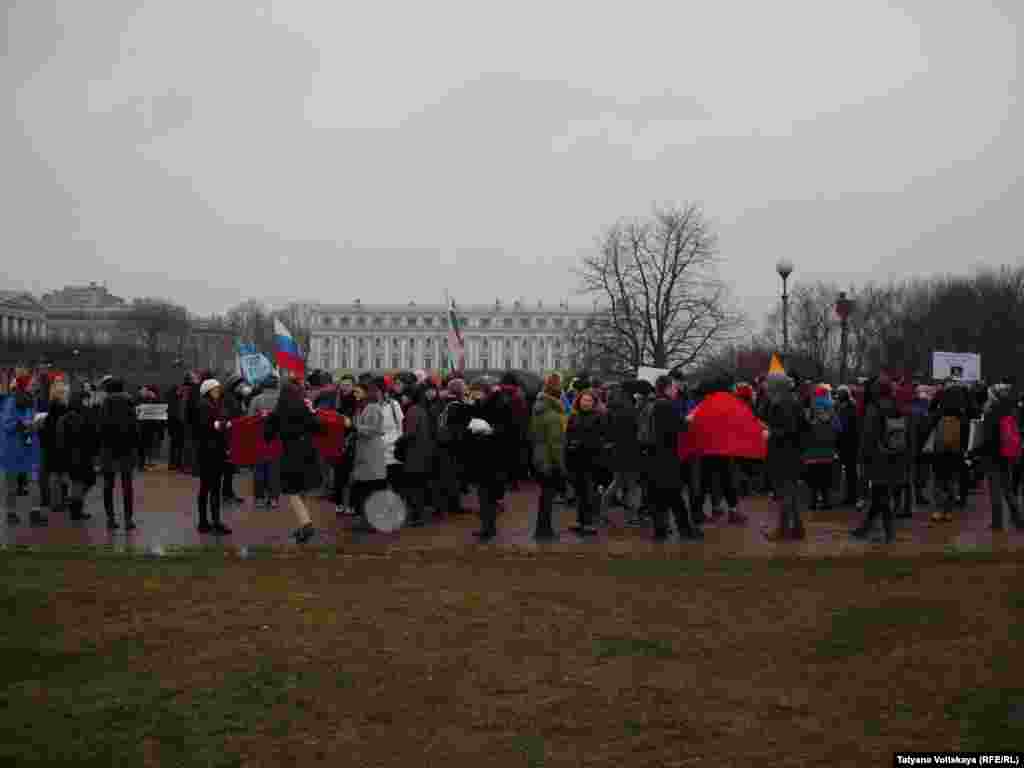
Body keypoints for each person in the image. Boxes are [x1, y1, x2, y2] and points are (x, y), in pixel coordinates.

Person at [263, 378, 326, 543]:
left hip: (291, 453)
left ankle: (306, 524)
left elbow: (267, 435)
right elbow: (318, 428)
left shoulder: (278, 411)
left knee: (292, 492)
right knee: (301, 489)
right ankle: (303, 524)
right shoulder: (303, 408)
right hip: (308, 452)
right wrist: (312, 413)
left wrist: (267, 419)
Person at [851, 379, 912, 543]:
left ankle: (889, 532)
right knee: (880, 493)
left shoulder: (874, 408)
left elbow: (868, 435)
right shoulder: (897, 406)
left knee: (881, 495)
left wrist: (862, 457)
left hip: (878, 457)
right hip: (896, 455)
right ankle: (865, 527)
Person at [647, 375, 700, 541]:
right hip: (667, 456)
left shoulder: (655, 403)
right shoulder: (666, 405)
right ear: (667, 388)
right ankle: (684, 529)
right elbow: (679, 427)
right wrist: (690, 418)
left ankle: (660, 530)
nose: (676, 390)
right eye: (674, 387)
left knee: (660, 496)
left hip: (656, 455)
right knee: (674, 495)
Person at [969, 381, 1022, 530]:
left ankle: (997, 523)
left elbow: (987, 438)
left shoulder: (991, 412)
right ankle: (1018, 519)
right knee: (1008, 489)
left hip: (993, 456)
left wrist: (975, 451)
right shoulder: (1011, 410)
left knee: (995, 491)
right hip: (1007, 454)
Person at [763, 371, 806, 540]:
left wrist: (770, 433)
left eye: (769, 385)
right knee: (790, 493)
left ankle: (783, 529)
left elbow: (789, 429)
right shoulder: (789, 400)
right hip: (791, 452)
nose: (766, 388)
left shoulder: (784, 403)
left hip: (785, 453)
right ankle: (797, 528)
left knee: (785, 493)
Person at [98, 377, 140, 531]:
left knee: (108, 485)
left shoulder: (105, 402)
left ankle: (110, 519)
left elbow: (101, 426)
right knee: (127, 485)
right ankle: (128, 520)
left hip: (108, 448)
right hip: (126, 448)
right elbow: (135, 426)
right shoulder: (129, 401)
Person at [1, 376, 44, 525]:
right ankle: (11, 513)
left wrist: (37, 424)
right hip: (13, 448)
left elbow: (32, 420)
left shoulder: (32, 401)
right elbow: (7, 424)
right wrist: (23, 425)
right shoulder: (11, 402)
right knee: (11, 483)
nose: (35, 386)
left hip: (29, 446)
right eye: (32, 384)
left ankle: (35, 512)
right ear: (23, 386)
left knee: (34, 481)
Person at [349, 377, 389, 531]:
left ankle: (372, 521)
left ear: (366, 392)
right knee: (365, 488)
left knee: (370, 488)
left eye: (357, 392)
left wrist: (354, 427)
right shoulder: (363, 406)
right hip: (366, 452)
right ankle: (367, 519)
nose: (355, 394)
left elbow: (374, 429)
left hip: (371, 452)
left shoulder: (372, 407)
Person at [530, 373, 566, 539]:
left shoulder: (538, 407)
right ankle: (545, 531)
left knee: (544, 495)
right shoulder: (553, 414)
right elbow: (555, 443)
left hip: (539, 456)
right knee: (548, 496)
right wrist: (560, 465)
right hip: (549, 460)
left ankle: (542, 529)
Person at [600, 385, 643, 527]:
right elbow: (637, 430)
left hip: (617, 451)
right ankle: (633, 517)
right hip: (631, 450)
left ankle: (603, 513)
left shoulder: (610, 410)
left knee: (616, 483)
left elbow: (607, 432)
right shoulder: (631, 410)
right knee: (632, 485)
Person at [195, 379, 232, 535]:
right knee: (209, 487)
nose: (218, 391)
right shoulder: (204, 405)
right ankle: (208, 522)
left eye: (218, 389)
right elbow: (207, 426)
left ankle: (209, 522)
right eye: (215, 389)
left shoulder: (214, 404)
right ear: (208, 391)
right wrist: (222, 425)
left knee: (212, 487)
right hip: (209, 452)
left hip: (214, 451)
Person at [56, 388, 98, 521]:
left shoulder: (65, 417)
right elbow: (89, 435)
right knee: (80, 482)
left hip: (72, 454)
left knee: (80, 482)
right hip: (80, 454)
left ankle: (75, 505)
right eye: (86, 399)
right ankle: (75, 509)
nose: (88, 402)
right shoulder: (82, 416)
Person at [400, 383, 438, 528]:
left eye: (404, 395)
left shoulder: (413, 410)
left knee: (414, 486)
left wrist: (399, 440)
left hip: (414, 452)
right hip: (424, 451)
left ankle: (417, 516)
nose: (402, 398)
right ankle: (418, 515)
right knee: (420, 485)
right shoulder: (421, 409)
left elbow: (410, 433)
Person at [248, 375, 282, 509]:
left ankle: (259, 498)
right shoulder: (281, 400)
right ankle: (273, 498)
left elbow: (250, 419)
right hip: (276, 438)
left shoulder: (256, 400)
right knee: (275, 469)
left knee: (259, 469)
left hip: (260, 438)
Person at [802, 386, 838, 511]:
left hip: (812, 451)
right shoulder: (832, 412)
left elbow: (805, 429)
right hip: (827, 451)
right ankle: (826, 502)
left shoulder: (810, 411)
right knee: (825, 477)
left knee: (813, 477)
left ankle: (813, 502)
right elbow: (838, 429)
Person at [39, 377, 70, 516]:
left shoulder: (50, 407)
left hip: (50, 444)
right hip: (60, 444)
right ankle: (60, 502)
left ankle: (55, 501)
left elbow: (45, 427)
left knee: (55, 474)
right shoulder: (63, 409)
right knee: (60, 474)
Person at [332, 375, 358, 515]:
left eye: (348, 385)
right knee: (339, 474)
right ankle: (339, 503)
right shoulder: (336, 399)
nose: (345, 387)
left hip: (353, 440)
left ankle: (352, 504)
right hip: (338, 440)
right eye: (343, 384)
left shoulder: (357, 400)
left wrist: (350, 424)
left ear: (353, 386)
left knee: (352, 475)